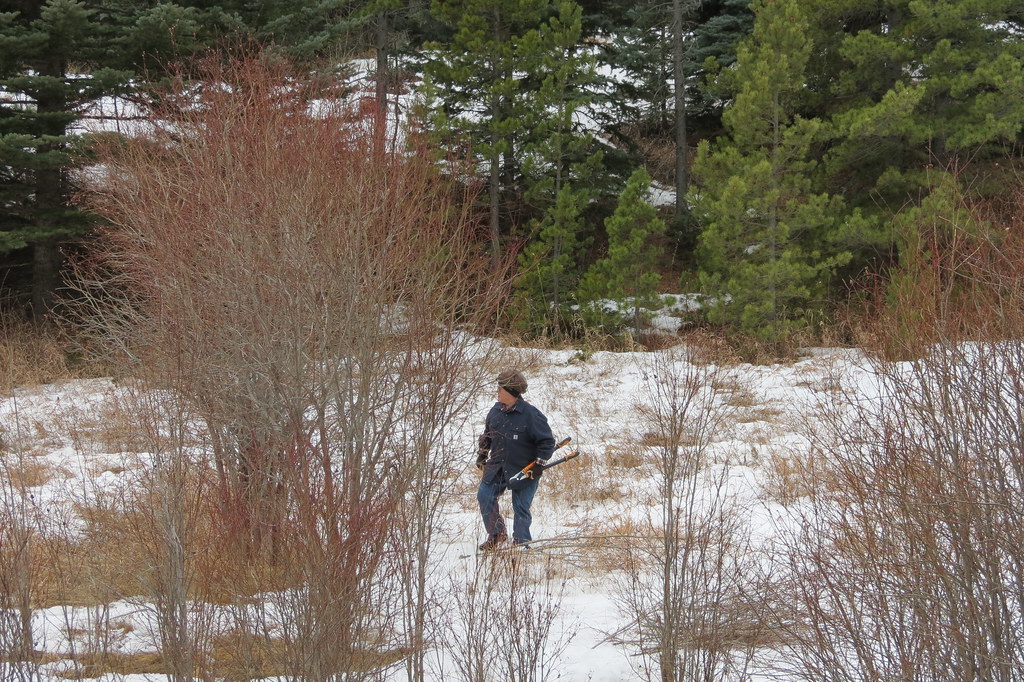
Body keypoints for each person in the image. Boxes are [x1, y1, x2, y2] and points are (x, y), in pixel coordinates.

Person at [475, 369, 556, 551]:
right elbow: (487, 435)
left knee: (520, 507)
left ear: (510, 391)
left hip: (524, 469)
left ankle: (521, 542)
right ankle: (497, 534)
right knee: (485, 496)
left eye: (500, 389)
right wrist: (482, 453)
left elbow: (547, 442)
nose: (497, 392)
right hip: (497, 467)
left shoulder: (532, 415)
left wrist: (539, 465)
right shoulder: (495, 412)